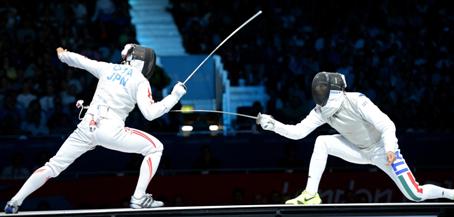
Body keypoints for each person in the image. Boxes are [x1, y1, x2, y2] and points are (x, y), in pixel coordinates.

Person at [4, 44, 187, 213]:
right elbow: (150, 113)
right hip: (111, 130)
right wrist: (174, 96)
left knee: (52, 166)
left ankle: (14, 202)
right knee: (155, 148)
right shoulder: (140, 81)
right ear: (144, 63)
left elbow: (80, 61)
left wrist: (62, 54)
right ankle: (138, 197)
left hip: (86, 128)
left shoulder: (107, 68)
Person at [257, 71, 454, 205]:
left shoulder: (357, 101)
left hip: (382, 151)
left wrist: (390, 149)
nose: (319, 94)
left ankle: (450, 194)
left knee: (415, 194)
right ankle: (311, 194)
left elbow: (387, 125)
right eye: (317, 90)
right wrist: (273, 125)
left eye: (322, 90)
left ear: (334, 89)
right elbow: (298, 132)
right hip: (357, 150)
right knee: (322, 142)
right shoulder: (320, 111)